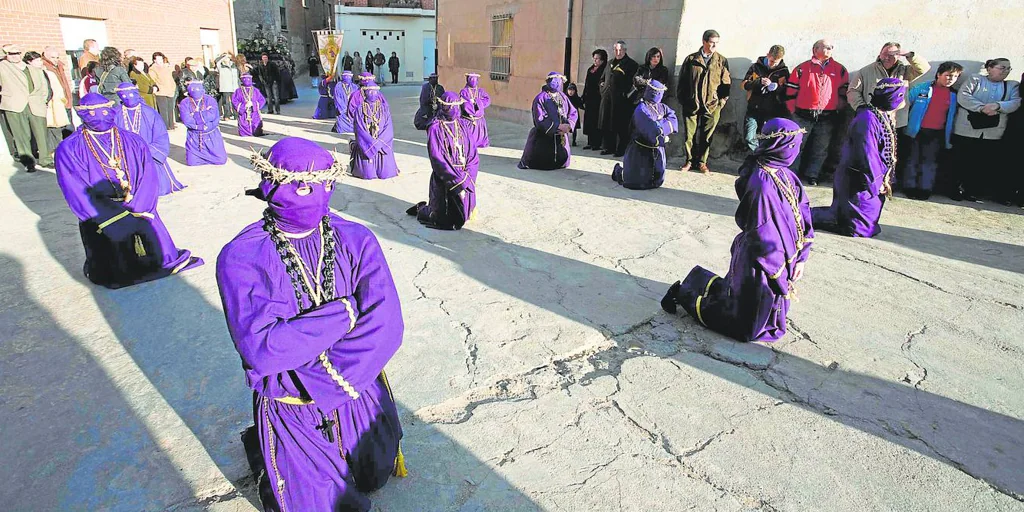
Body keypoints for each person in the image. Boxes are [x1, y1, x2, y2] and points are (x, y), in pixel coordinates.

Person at [216, 136, 406, 512]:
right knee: (324, 506)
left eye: (316, 183)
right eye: (296, 185)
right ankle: (269, 451)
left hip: (357, 388)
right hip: (292, 399)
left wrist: (315, 364)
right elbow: (264, 350)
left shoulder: (357, 239)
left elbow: (388, 325)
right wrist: (346, 313)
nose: (307, 192)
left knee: (376, 473)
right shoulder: (241, 256)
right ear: (268, 184)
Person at [661, 118, 813, 343]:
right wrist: (781, 275)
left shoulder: (786, 175)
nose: (798, 150)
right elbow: (763, 238)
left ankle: (698, 279)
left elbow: (803, 212)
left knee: (749, 305)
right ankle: (683, 294)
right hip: (762, 262)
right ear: (782, 147)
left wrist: (801, 257)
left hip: (782, 259)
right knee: (745, 327)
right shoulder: (761, 185)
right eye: (795, 145)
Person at [55, 93, 203, 288]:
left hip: (140, 206)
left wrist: (139, 206)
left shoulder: (133, 140)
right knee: (116, 263)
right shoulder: (69, 148)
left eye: (105, 111)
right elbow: (76, 188)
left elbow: (148, 176)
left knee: (153, 247)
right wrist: (113, 215)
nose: (99, 116)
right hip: (103, 216)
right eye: (92, 113)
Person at [811, 78, 907, 238]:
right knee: (855, 227)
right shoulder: (867, 119)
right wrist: (876, 182)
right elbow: (866, 154)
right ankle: (801, 215)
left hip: (871, 176)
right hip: (859, 177)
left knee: (867, 222)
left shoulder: (881, 115)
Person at [950, 58, 1021, 203]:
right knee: (960, 161)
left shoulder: (1012, 85)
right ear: (990, 68)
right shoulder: (975, 79)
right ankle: (954, 189)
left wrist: (997, 106)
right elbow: (963, 96)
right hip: (966, 130)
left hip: (992, 133)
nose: (1005, 71)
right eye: (1002, 68)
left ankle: (971, 191)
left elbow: (1015, 102)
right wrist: (981, 108)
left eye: (1008, 69)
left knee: (980, 164)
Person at [406, 92, 480, 230]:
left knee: (466, 214)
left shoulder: (463, 125)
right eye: (450, 106)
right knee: (443, 217)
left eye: (456, 106)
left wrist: (468, 175)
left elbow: (473, 153)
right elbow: (437, 158)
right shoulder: (435, 127)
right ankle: (421, 209)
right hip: (446, 177)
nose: (454, 110)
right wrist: (458, 179)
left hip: (465, 174)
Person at [785, 39, 850, 186]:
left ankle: (812, 175)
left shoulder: (840, 69)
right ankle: (791, 175)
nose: (829, 50)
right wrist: (792, 111)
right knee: (796, 145)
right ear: (815, 49)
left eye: (831, 47)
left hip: (827, 117)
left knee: (821, 148)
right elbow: (791, 90)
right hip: (802, 115)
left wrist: (838, 108)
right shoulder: (802, 68)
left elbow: (843, 91)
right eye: (826, 47)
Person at [903, 62, 962, 200]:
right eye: (948, 76)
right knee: (912, 159)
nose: (951, 79)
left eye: (955, 77)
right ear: (939, 74)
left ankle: (925, 189)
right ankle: (909, 187)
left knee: (929, 162)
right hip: (916, 131)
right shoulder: (922, 88)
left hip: (936, 133)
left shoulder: (954, 95)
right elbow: (905, 103)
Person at [115, 82, 186, 195]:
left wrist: (148, 149)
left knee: (158, 188)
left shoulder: (149, 112)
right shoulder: (116, 114)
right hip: (127, 155)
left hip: (149, 154)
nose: (128, 98)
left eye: (131, 95)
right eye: (124, 96)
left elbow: (160, 135)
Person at [676, 29, 731, 174]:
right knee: (689, 135)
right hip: (691, 104)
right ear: (704, 42)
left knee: (707, 136)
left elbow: (726, 84)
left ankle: (702, 162)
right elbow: (682, 82)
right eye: (711, 42)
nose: (714, 46)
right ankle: (689, 161)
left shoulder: (721, 60)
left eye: (716, 43)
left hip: (712, 105)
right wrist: (684, 99)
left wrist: (721, 102)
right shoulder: (691, 59)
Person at [611, 79, 678, 189]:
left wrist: (660, 126)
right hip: (640, 150)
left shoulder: (662, 107)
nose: (657, 95)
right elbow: (650, 128)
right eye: (655, 93)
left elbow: (673, 118)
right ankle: (618, 171)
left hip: (657, 149)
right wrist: (662, 129)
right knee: (635, 183)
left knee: (657, 182)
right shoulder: (641, 109)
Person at [848, 42, 929, 130]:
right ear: (880, 54)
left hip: (897, 122)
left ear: (898, 56)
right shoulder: (865, 71)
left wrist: (909, 54)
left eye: (891, 55)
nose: (886, 58)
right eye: (884, 54)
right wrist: (862, 108)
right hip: (872, 121)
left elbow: (924, 68)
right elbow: (853, 91)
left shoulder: (904, 71)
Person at [0, 44, 52, 172]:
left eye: (17, 53)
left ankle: (45, 159)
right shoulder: (3, 66)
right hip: (15, 105)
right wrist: (5, 51)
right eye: (11, 54)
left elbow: (44, 86)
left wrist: (43, 100)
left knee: (41, 133)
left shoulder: (32, 68)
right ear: (6, 54)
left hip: (35, 103)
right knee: (21, 136)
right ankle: (29, 162)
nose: (15, 56)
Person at [518, 72, 579, 170]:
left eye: (559, 81)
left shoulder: (563, 97)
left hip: (561, 136)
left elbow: (573, 112)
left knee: (562, 160)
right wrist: (557, 126)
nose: (557, 83)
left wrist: (569, 125)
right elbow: (539, 119)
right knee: (543, 162)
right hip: (545, 137)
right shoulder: (540, 98)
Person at [741, 45, 790, 152]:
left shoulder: (783, 71)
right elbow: (744, 85)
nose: (772, 65)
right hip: (753, 108)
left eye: (775, 63)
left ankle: (760, 160)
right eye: (771, 61)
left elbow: (786, 93)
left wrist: (776, 87)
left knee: (766, 139)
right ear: (768, 55)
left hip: (771, 111)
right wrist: (758, 82)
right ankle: (757, 155)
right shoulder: (756, 67)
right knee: (749, 137)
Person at [348, 77, 399, 180]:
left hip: (382, 145)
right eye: (370, 91)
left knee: (386, 173)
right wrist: (371, 143)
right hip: (366, 146)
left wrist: (379, 143)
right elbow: (360, 130)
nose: (373, 94)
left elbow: (388, 128)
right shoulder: (360, 109)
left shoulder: (384, 108)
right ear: (364, 93)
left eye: (375, 91)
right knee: (368, 174)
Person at [26, 51, 70, 162]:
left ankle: (58, 152)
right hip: (41, 106)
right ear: (29, 62)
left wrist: (62, 101)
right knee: (45, 131)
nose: (39, 62)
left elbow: (58, 89)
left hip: (55, 104)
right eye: (36, 60)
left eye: (40, 60)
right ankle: (48, 153)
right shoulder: (28, 74)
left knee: (56, 130)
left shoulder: (48, 73)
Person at [599, 41, 639, 156]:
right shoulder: (609, 63)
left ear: (625, 50)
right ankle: (608, 147)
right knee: (607, 124)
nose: (618, 52)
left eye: (620, 50)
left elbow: (634, 84)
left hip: (621, 101)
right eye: (616, 50)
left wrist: (625, 95)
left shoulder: (631, 64)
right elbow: (602, 79)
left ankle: (621, 149)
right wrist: (602, 89)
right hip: (607, 99)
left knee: (621, 126)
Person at [178, 80, 228, 166]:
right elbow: (187, 120)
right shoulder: (185, 102)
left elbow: (214, 116)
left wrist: (195, 115)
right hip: (194, 135)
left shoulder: (210, 100)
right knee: (192, 163)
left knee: (221, 160)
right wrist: (199, 126)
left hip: (211, 133)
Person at [41, 46, 73, 134]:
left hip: (65, 98)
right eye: (52, 57)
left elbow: (64, 84)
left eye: (57, 57)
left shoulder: (59, 66)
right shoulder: (45, 68)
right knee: (59, 127)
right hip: (55, 101)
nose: (55, 60)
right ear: (46, 56)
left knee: (69, 126)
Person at [581, 49, 607, 150]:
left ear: (602, 60)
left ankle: (597, 143)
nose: (595, 61)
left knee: (596, 120)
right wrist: (583, 96)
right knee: (589, 121)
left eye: (597, 59)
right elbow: (586, 84)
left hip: (598, 98)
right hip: (589, 98)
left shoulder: (604, 70)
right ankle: (590, 142)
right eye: (594, 58)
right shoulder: (590, 69)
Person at [460, 72, 491, 148]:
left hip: (479, 119)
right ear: (467, 80)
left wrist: (477, 102)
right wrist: (472, 108)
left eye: (475, 79)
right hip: (469, 118)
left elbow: (487, 100)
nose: (473, 81)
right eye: (471, 79)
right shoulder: (464, 91)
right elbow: (464, 103)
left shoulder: (481, 91)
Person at [149, 53, 177, 130]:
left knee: (170, 109)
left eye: (161, 59)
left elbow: (170, 79)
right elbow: (153, 80)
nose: (160, 61)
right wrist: (158, 88)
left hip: (170, 91)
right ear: (154, 60)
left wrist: (173, 87)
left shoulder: (166, 67)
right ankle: (164, 126)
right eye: (158, 59)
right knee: (163, 110)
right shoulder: (152, 69)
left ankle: (171, 125)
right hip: (161, 92)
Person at [216, 53, 240, 121]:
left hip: (234, 86)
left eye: (228, 58)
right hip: (225, 86)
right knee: (226, 102)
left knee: (234, 101)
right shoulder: (220, 66)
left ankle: (236, 115)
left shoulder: (234, 65)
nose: (227, 59)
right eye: (225, 58)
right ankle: (227, 115)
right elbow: (217, 61)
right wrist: (224, 57)